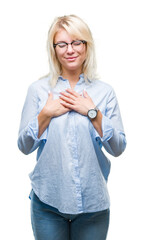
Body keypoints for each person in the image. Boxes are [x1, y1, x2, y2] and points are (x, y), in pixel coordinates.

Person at [18, 15, 126, 240]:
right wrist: (45, 114)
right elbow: (24, 146)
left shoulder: (104, 92)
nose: (70, 50)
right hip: (47, 204)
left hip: (93, 206)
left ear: (87, 46)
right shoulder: (38, 90)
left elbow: (118, 148)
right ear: (54, 49)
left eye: (77, 42)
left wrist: (92, 112)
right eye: (62, 44)